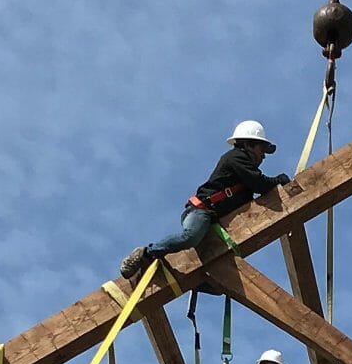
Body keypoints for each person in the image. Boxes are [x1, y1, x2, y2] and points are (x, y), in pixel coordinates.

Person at [121, 120, 287, 281]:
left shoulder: (244, 179)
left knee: (222, 278)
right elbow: (261, 184)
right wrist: (279, 180)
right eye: (262, 149)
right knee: (190, 237)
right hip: (200, 211)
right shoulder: (236, 157)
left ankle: (197, 281)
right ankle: (146, 253)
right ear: (248, 144)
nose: (264, 156)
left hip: (211, 221)